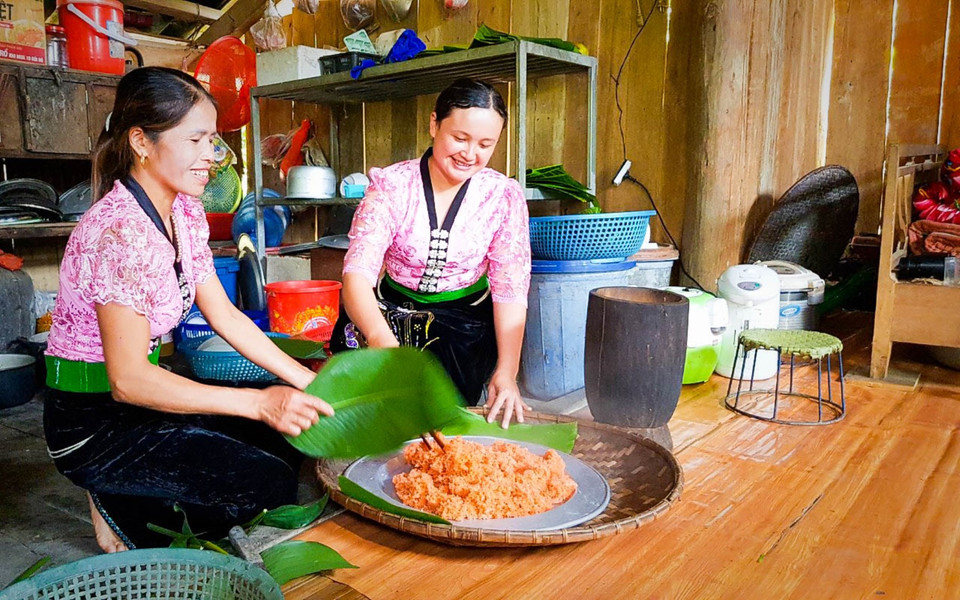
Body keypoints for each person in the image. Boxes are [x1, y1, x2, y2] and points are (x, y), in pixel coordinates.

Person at [43, 67, 332, 553]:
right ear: (141, 141)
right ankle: (117, 500)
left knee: (289, 436)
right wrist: (259, 403)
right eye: (196, 140)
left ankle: (132, 487)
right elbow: (129, 380)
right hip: (93, 423)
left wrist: (307, 382)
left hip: (142, 400)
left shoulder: (183, 210)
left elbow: (226, 315)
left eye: (213, 141)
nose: (211, 158)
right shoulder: (117, 233)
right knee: (263, 486)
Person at [337, 78, 531, 428]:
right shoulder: (392, 186)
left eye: (486, 144)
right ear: (433, 124)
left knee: (443, 428)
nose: (470, 154)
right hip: (386, 317)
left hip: (462, 328)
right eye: (460, 138)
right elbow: (357, 274)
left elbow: (510, 289)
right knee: (377, 424)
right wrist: (382, 341)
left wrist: (507, 371)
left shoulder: (502, 196)